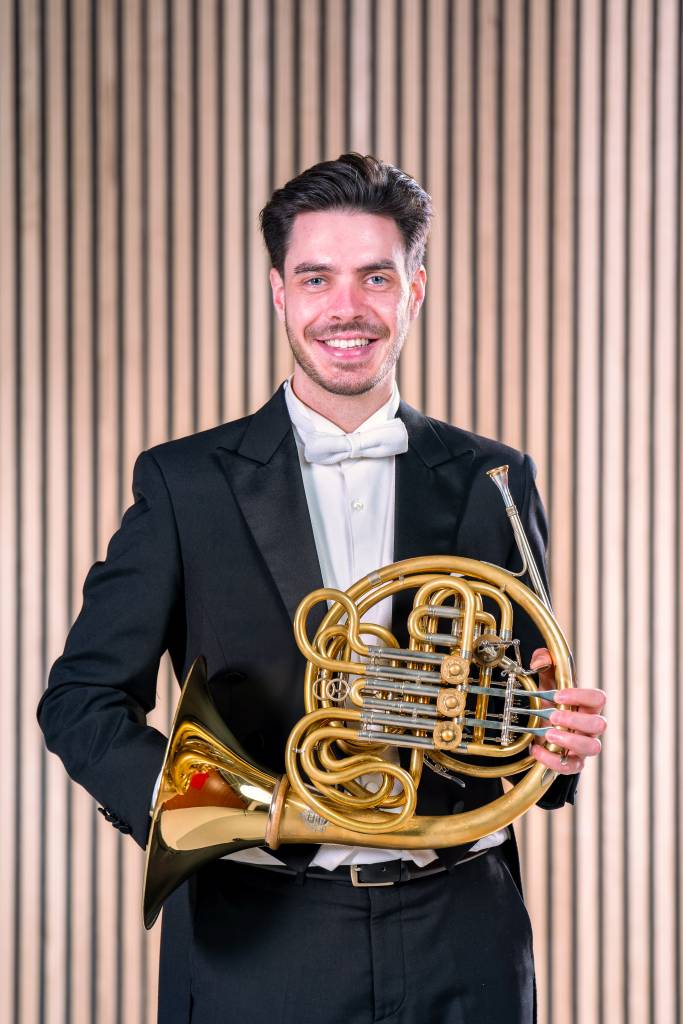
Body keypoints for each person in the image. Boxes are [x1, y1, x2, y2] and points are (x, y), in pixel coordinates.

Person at [38, 154, 606, 1024]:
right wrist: (214, 806)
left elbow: (521, 691)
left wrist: (552, 740)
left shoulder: (493, 476)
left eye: (376, 277)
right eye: (316, 278)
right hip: (258, 938)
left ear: (414, 290)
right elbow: (81, 700)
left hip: (464, 929)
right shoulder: (187, 482)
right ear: (279, 293)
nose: (347, 308)